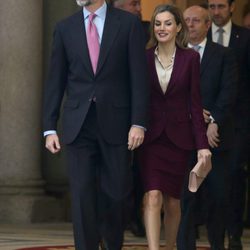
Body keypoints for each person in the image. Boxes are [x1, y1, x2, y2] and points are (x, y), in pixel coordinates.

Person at [43, 0, 149, 249]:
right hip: (78, 124)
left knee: (117, 194)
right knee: (81, 195)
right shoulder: (64, 28)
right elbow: (55, 80)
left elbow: (139, 78)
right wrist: (49, 127)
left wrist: (138, 123)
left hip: (118, 123)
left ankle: (112, 244)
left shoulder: (128, 24)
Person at [137, 4, 211, 250]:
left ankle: (169, 246)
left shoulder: (191, 59)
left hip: (179, 140)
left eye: (168, 23)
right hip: (151, 139)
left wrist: (202, 146)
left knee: (172, 202)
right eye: (157, 23)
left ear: (178, 27)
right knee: (153, 196)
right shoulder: (144, 58)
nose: (162, 28)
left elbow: (195, 104)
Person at [177, 5, 238, 250]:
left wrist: (213, 121)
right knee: (185, 200)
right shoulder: (173, 54)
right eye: (186, 21)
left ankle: (217, 245)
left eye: (195, 21)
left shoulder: (223, 55)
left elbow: (229, 92)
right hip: (181, 139)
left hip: (215, 141)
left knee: (217, 198)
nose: (190, 25)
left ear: (207, 24)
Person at [207, 0, 250, 249]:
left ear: (232, 8)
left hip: (238, 123)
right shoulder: (201, 36)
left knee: (234, 177)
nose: (216, 12)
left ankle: (233, 233)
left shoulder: (244, 38)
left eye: (221, 6)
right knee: (206, 177)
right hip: (204, 121)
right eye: (212, 6)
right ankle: (209, 229)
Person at [111, 0, 149, 237]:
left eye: (139, 3)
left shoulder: (146, 29)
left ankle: (135, 217)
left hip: (142, 113)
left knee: (140, 171)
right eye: (132, 3)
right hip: (113, 114)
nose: (138, 8)